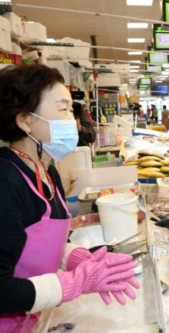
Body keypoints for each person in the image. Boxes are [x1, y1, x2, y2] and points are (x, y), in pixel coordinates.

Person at [0, 64, 139, 332]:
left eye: (71, 110)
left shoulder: (45, 168)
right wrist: (73, 283)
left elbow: (30, 245)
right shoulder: (6, 182)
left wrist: (75, 257)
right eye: (62, 109)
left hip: (32, 319)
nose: (73, 120)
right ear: (25, 121)